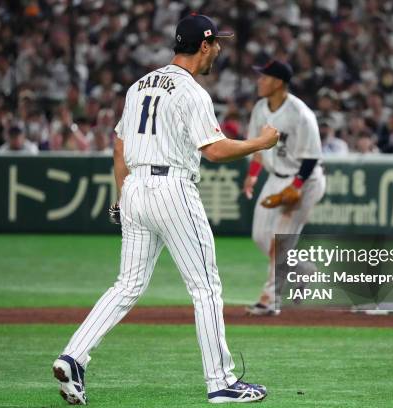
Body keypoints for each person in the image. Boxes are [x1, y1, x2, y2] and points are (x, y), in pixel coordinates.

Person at [52, 14, 279, 405]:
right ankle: (221, 382)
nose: (219, 49)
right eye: (216, 43)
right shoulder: (192, 92)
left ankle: (73, 356)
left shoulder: (139, 86)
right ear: (203, 46)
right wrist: (260, 143)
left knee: (126, 286)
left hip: (135, 187)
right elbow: (215, 149)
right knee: (205, 287)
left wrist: (122, 198)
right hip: (172, 187)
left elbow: (120, 146)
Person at [242, 60, 325, 316]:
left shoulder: (300, 113)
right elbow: (257, 145)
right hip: (275, 178)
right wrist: (253, 176)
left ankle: (270, 300)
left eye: (264, 77)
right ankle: (303, 270)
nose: (259, 81)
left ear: (278, 82)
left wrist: (297, 186)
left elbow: (312, 156)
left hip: (304, 179)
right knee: (261, 237)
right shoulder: (260, 108)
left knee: (280, 243)